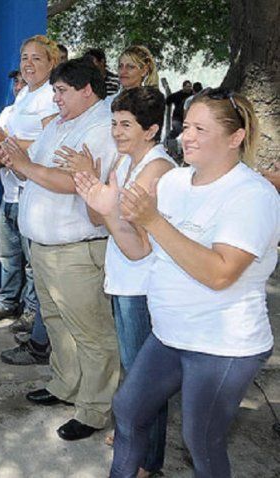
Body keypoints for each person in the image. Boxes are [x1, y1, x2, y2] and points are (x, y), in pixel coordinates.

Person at [75, 88, 278, 477]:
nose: (187, 137)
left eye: (200, 129)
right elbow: (139, 251)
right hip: (170, 334)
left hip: (223, 345)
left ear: (235, 138)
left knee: (201, 439)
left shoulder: (252, 195)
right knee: (129, 409)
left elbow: (220, 273)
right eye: (186, 126)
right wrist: (110, 213)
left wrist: (153, 220)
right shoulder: (175, 183)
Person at [0, 58, 120, 441]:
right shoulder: (62, 123)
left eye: (61, 91)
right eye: (54, 91)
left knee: (90, 332)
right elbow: (34, 168)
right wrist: (12, 161)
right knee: (56, 323)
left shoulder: (102, 126)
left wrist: (25, 166)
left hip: (75, 249)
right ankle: (66, 386)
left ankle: (95, 408)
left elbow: (78, 183)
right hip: (46, 247)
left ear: (87, 89)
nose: (55, 98)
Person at [61, 87, 175, 476]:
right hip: (123, 283)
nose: (117, 131)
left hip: (143, 286)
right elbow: (100, 219)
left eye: (126, 124)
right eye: (113, 123)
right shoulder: (124, 164)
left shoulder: (157, 170)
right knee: (133, 369)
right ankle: (134, 436)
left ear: (151, 129)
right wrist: (91, 185)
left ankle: (147, 459)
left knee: (147, 379)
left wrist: (103, 200)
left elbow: (139, 248)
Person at [0, 35, 60, 368]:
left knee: (35, 264)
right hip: (14, 191)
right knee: (11, 256)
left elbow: (47, 143)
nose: (28, 63)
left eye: (37, 58)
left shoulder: (52, 98)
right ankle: (18, 311)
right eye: (25, 57)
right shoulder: (25, 94)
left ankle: (36, 323)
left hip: (37, 192)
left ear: (52, 63)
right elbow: (10, 139)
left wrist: (4, 141)